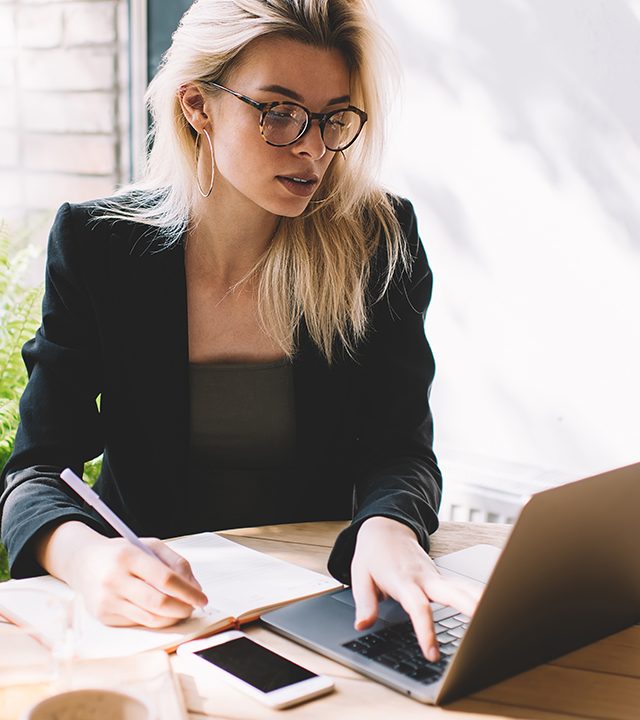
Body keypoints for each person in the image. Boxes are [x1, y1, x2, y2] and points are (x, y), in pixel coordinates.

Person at [0, 0, 479, 662]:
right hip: (160, 618)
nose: (312, 147)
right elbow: (35, 472)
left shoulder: (378, 240)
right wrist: (87, 560)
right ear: (198, 106)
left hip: (325, 609)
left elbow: (401, 448)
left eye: (332, 117)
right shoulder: (99, 246)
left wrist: (390, 525)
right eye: (277, 112)